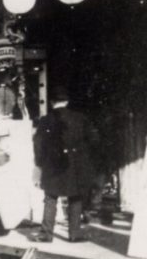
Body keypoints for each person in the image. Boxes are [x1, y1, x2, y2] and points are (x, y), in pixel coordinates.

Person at [30, 85, 98, 243]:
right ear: (67, 101)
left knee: (50, 198)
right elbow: (94, 140)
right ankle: (74, 234)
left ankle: (46, 234)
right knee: (75, 198)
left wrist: (40, 163)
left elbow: (38, 144)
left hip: (52, 165)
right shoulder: (80, 118)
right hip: (75, 164)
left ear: (52, 102)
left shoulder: (45, 120)